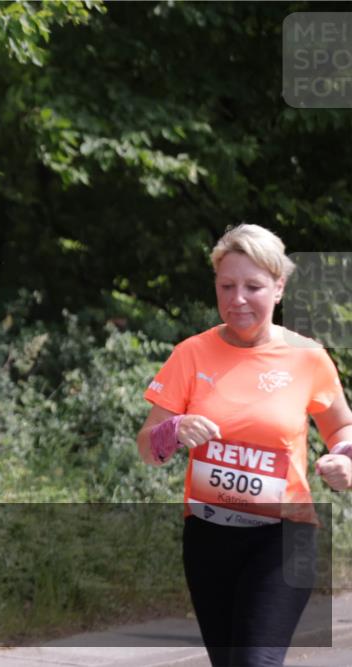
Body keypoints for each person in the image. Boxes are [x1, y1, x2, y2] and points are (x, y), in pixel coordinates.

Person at [136, 223, 352, 667]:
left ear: (278, 287)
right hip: (209, 536)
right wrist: (172, 431)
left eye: (252, 286)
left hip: (283, 537)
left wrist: (344, 460)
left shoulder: (307, 357)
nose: (237, 299)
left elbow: (342, 430)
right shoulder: (190, 354)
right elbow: (148, 447)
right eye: (226, 285)